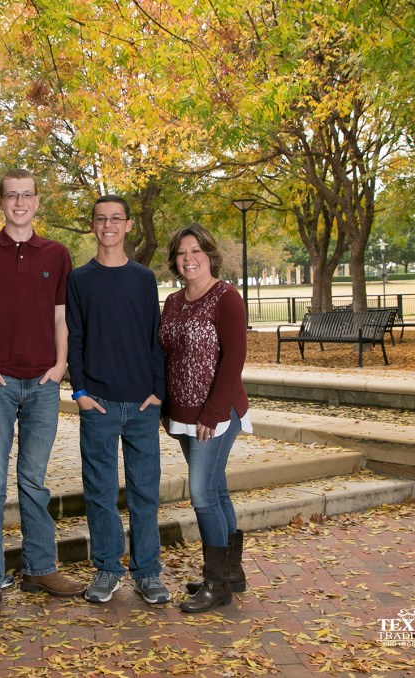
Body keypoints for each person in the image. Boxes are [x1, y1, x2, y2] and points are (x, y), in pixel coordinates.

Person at [0, 168, 86, 616]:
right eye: (12, 195)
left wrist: (59, 367)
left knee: (34, 480)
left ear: (37, 201)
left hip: (42, 384)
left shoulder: (56, 253)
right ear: (0, 202)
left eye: (27, 195)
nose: (20, 203)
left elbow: (61, 316)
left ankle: (39, 568)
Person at [66, 195, 170, 605]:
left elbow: (154, 337)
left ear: (128, 225)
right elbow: (74, 338)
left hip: (142, 405)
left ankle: (148, 573)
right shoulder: (79, 279)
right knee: (100, 492)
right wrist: (79, 391)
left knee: (145, 492)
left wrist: (158, 391)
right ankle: (108, 569)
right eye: (100, 219)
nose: (108, 225)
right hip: (99, 403)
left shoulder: (143, 278)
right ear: (92, 225)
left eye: (115, 218)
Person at [158, 223, 252, 613]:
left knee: (201, 493)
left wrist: (213, 414)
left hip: (217, 413)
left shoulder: (226, 297)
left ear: (209, 255)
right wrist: (166, 409)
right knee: (216, 489)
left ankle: (217, 585)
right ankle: (231, 573)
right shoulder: (172, 302)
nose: (188, 259)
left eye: (195, 251)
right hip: (183, 414)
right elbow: (166, 356)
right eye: (181, 253)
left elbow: (234, 358)